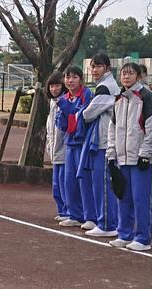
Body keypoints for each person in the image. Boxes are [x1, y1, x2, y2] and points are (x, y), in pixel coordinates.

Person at [107, 62, 152, 252]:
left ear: (139, 76)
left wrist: (145, 154)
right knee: (123, 197)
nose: (126, 76)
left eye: (130, 73)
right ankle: (124, 234)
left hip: (141, 160)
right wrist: (111, 154)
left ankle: (143, 237)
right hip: (123, 158)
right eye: (123, 73)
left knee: (142, 200)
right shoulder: (119, 100)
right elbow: (113, 129)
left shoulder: (148, 98)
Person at [79, 54, 120, 238]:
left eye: (98, 66)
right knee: (102, 183)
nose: (94, 70)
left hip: (104, 141)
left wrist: (82, 112)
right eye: (92, 67)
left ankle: (107, 224)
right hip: (105, 140)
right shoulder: (106, 85)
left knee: (102, 183)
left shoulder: (106, 87)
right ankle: (107, 221)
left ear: (107, 68)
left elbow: (87, 114)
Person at [56, 66, 95, 229]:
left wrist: (65, 106)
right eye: (67, 77)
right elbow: (63, 123)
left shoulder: (87, 95)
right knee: (69, 180)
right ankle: (75, 214)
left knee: (84, 181)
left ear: (81, 79)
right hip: (70, 143)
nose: (70, 81)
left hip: (83, 143)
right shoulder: (65, 98)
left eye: (74, 77)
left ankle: (90, 216)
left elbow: (79, 116)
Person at [46, 71, 68, 221]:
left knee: (64, 183)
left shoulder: (65, 102)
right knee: (56, 186)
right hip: (55, 150)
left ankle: (68, 211)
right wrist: (49, 146)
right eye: (51, 86)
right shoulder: (52, 103)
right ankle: (62, 211)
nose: (54, 89)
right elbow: (50, 129)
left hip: (64, 149)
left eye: (57, 86)